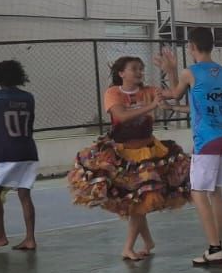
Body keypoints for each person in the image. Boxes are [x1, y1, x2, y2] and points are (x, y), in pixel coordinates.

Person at [68, 55, 191, 262]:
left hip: (147, 152)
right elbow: (121, 116)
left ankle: (130, 247)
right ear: (121, 73)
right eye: (134, 68)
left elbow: (175, 94)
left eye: (141, 68)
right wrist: (151, 106)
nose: (139, 72)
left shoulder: (149, 91)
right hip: (123, 154)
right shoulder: (113, 93)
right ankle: (145, 242)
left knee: (138, 202)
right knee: (135, 202)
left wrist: (171, 70)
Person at [157, 30, 222, 266]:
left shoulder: (190, 72)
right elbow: (196, 103)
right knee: (216, 191)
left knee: (198, 192)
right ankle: (216, 243)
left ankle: (215, 247)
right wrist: (173, 104)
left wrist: (170, 70)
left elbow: (174, 94)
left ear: (192, 46)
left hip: (206, 139)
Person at [0, 60, 38, 252]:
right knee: (24, 193)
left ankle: (0, 237)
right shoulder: (28, 97)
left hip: (5, 151)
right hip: (28, 150)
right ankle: (30, 238)